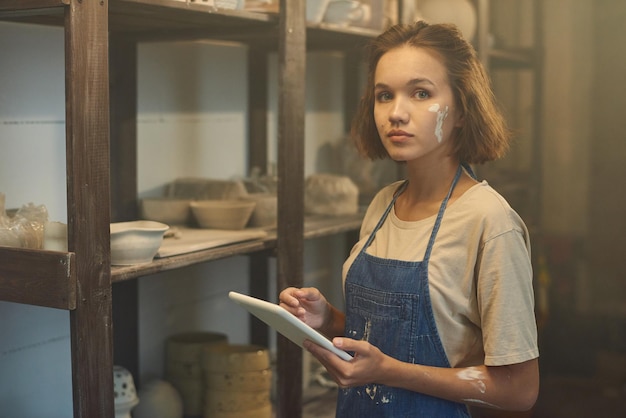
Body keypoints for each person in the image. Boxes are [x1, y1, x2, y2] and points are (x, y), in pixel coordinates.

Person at [279, 21, 539, 417]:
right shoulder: (383, 204)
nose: (396, 113)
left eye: (421, 93)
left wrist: (389, 372)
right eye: (385, 95)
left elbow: (519, 389)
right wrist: (326, 319)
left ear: (462, 110)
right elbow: (385, 341)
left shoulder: (490, 221)